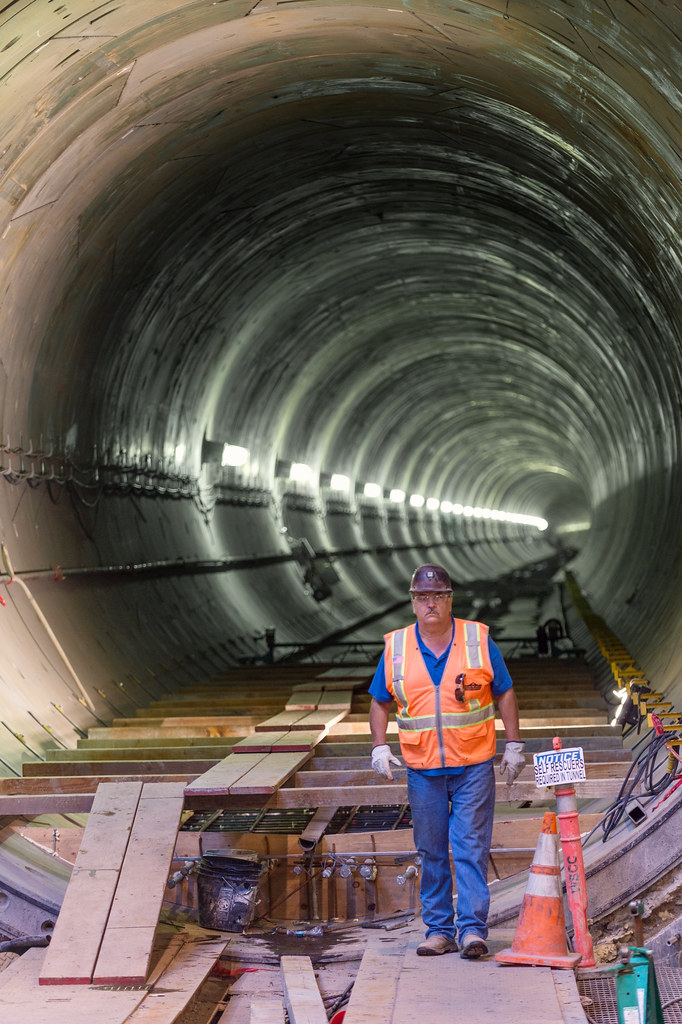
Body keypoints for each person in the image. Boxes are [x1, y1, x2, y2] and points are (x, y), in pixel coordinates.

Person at [369, 563, 526, 959]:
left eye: (437, 595)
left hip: (473, 765)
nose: (430, 604)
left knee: (471, 847)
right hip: (423, 770)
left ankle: (472, 929)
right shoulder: (398, 646)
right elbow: (379, 700)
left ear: (449, 598)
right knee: (432, 850)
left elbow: (504, 690)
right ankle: (439, 930)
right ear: (413, 602)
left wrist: (514, 744)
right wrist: (378, 746)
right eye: (422, 597)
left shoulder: (477, 639)